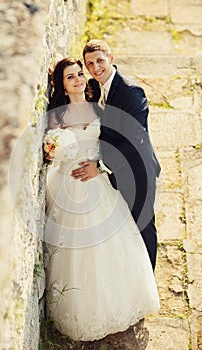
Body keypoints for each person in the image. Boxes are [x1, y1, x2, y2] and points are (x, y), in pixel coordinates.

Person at [44, 57, 160, 341]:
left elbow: (111, 141)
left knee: (114, 243)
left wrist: (99, 166)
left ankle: (120, 300)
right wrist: (54, 150)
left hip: (98, 180)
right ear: (61, 84)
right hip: (70, 185)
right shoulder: (56, 116)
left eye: (80, 74)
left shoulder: (100, 107)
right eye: (70, 77)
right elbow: (50, 151)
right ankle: (83, 309)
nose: (79, 79)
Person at [71, 40, 161, 271]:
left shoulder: (131, 92)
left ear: (111, 59)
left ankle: (148, 281)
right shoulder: (95, 86)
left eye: (100, 61)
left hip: (137, 170)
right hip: (116, 172)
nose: (96, 67)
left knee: (143, 225)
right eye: (90, 63)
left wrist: (99, 165)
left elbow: (134, 139)